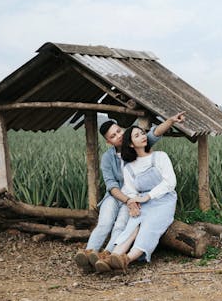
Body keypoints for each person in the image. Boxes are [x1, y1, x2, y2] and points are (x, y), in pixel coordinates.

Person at [74, 112, 185, 272]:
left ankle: (108, 255)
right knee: (105, 223)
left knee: (121, 225)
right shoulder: (108, 158)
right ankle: (88, 254)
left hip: (138, 197)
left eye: (119, 131)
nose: (118, 136)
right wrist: (129, 200)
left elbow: (155, 133)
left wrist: (170, 121)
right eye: (113, 136)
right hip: (116, 195)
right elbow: (112, 186)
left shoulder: (137, 145)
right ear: (108, 141)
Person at [94, 125, 177, 273]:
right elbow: (130, 191)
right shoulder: (129, 167)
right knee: (132, 226)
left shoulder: (160, 156)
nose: (143, 136)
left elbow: (170, 182)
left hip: (164, 200)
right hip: (143, 202)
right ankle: (113, 257)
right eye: (137, 135)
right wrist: (132, 203)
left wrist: (148, 196)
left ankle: (127, 259)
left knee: (149, 226)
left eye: (143, 133)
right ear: (131, 144)